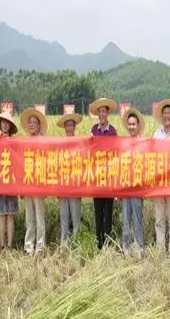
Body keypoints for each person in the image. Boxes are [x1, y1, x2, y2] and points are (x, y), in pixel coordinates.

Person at [152, 99, 170, 254]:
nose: (166, 116)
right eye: (164, 113)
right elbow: (151, 156)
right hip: (158, 183)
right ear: (161, 116)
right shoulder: (156, 134)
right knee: (159, 218)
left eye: (169, 113)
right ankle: (159, 249)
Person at [89, 98, 118, 249]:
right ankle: (98, 243)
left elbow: (117, 153)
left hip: (109, 177)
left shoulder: (113, 131)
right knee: (98, 212)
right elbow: (89, 151)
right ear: (97, 114)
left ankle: (107, 242)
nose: (102, 114)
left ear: (107, 113)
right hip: (96, 177)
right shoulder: (93, 130)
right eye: (99, 112)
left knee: (108, 212)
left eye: (104, 111)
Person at [20, 107, 48, 255]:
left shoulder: (43, 140)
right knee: (29, 218)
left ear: (39, 125)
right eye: (30, 122)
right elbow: (20, 163)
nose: (31, 125)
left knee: (39, 216)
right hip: (27, 183)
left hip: (39, 184)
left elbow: (47, 162)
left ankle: (40, 247)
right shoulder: (24, 141)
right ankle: (29, 247)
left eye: (34, 122)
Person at [120, 107, 145, 258]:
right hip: (125, 188)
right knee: (125, 220)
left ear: (138, 125)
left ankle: (139, 247)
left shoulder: (143, 143)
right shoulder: (122, 143)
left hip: (137, 188)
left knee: (137, 219)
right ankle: (126, 248)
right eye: (129, 124)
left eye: (133, 124)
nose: (131, 127)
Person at [0, 110, 19, 249]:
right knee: (1, 215)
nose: (5, 124)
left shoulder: (15, 142)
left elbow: (19, 163)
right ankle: (2, 246)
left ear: (10, 126)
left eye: (7, 122)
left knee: (10, 215)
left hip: (12, 182)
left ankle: (9, 246)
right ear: (0, 124)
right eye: (3, 122)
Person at [56, 112, 83, 244]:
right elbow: (56, 165)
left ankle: (76, 244)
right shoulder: (60, 144)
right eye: (67, 125)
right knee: (64, 218)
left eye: (71, 125)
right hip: (62, 185)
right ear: (64, 127)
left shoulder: (80, 143)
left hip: (75, 185)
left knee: (76, 217)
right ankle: (64, 245)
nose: (69, 127)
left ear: (74, 126)